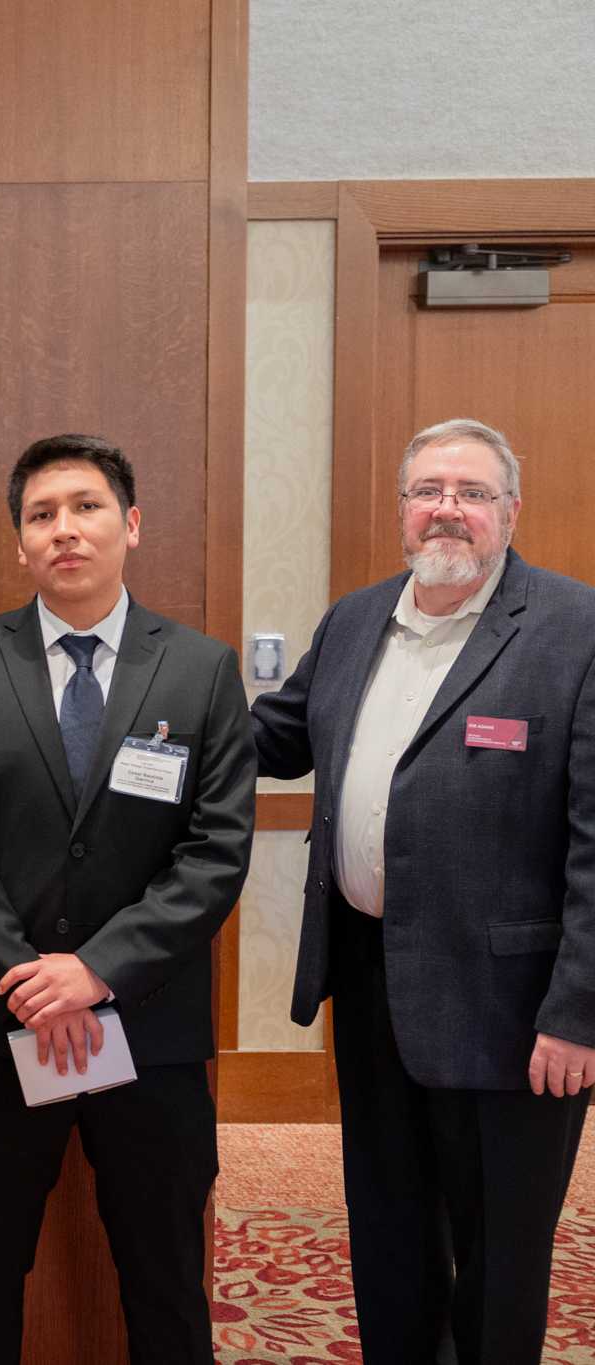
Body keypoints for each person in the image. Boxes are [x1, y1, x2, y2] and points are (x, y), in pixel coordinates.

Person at [250, 417, 595, 1363]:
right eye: (429, 490)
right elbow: (270, 738)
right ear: (401, 509)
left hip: (513, 1012)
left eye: (473, 493)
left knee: (500, 1259)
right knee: (391, 1239)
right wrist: (149, 713)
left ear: (510, 513)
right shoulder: (357, 619)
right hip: (371, 985)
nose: (448, 509)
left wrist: (579, 1012)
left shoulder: (577, 628)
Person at [0, 434, 255, 1364]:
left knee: (166, 1276)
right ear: (19, 543)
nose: (66, 529)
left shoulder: (201, 669)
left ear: (132, 525)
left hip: (148, 1030)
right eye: (41, 514)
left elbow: (216, 852)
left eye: (87, 507)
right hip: (0, 1027)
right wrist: (29, 978)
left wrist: (97, 969)